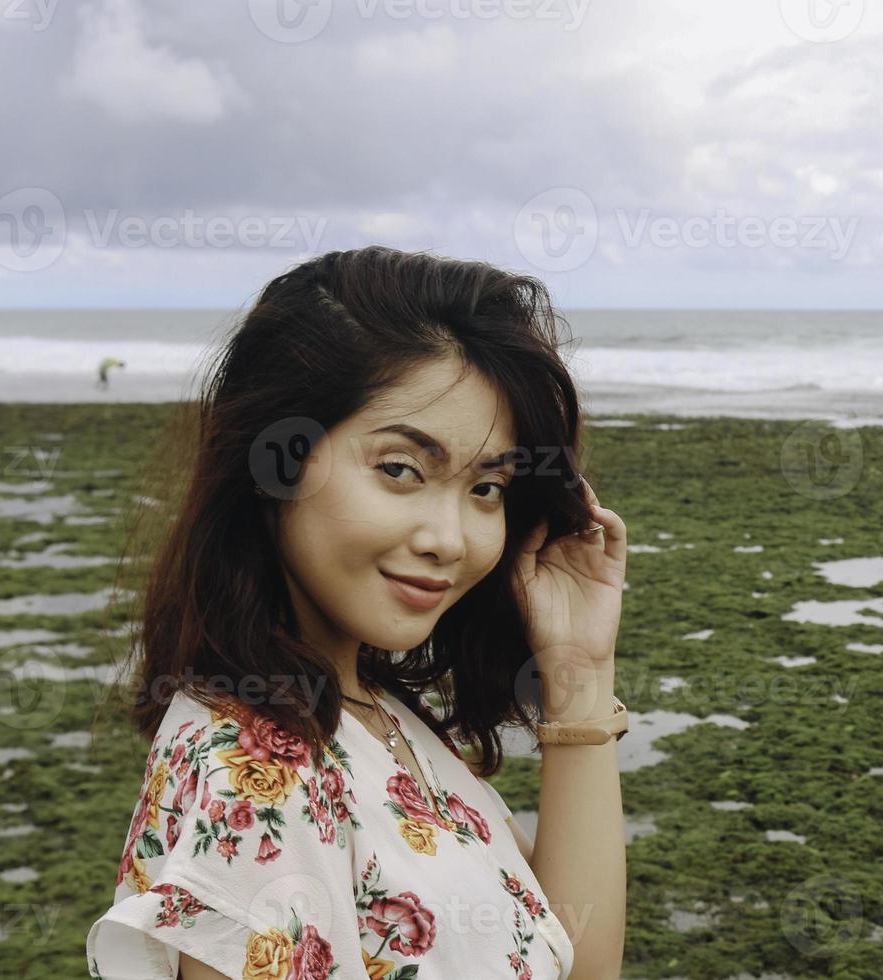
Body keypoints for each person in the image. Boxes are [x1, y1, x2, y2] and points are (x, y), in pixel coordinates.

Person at [85, 246, 628, 979]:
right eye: (401, 470)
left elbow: (577, 966)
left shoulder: (374, 714)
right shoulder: (255, 770)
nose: (450, 539)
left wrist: (578, 668)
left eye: (487, 488)